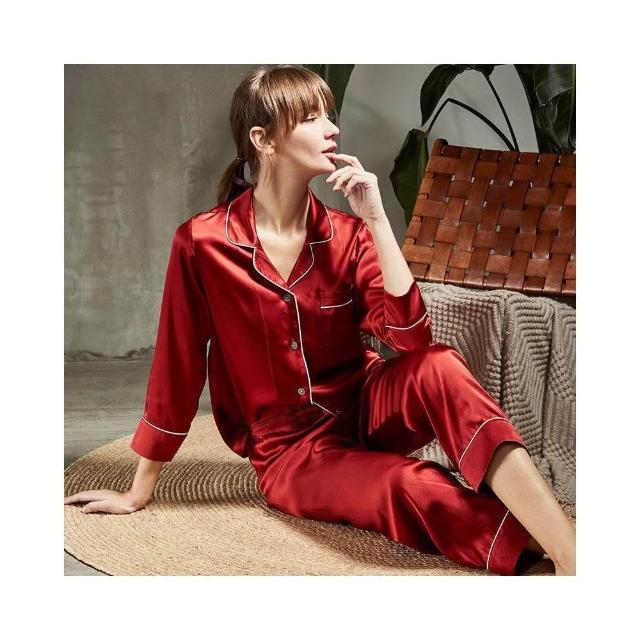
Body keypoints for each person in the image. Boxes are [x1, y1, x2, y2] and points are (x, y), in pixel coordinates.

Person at [64, 64, 576, 576]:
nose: (332, 129)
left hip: (367, 407)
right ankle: (546, 550)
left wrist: (377, 219)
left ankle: (572, 556)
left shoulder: (350, 234)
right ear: (263, 140)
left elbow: (412, 340)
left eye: (328, 115)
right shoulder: (203, 244)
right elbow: (177, 366)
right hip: (291, 453)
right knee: (405, 483)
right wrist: (139, 489)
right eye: (311, 118)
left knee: (440, 365)